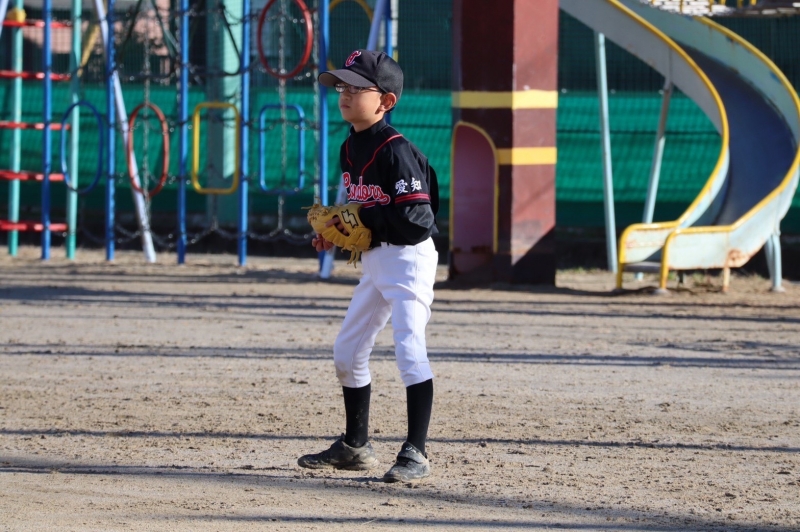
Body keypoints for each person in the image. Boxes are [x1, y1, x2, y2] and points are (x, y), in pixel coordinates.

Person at [297, 49, 440, 483]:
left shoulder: (396, 150)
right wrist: (338, 230)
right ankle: (355, 446)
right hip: (378, 259)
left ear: (386, 101)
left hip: (409, 259)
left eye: (358, 87)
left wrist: (362, 219)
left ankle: (416, 452)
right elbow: (363, 214)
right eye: (342, 85)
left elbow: (418, 220)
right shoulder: (349, 147)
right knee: (348, 350)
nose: (345, 93)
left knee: (409, 348)